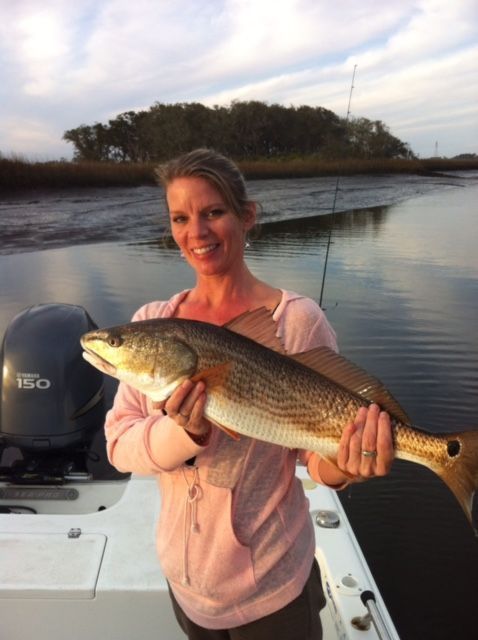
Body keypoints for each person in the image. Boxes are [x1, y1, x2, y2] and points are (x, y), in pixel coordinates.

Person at [103, 148, 394, 640]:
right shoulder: (152, 326)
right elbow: (119, 446)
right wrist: (183, 433)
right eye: (180, 217)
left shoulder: (297, 321)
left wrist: (347, 464)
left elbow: (316, 459)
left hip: (273, 587)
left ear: (247, 216)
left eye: (213, 212)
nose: (196, 232)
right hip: (187, 582)